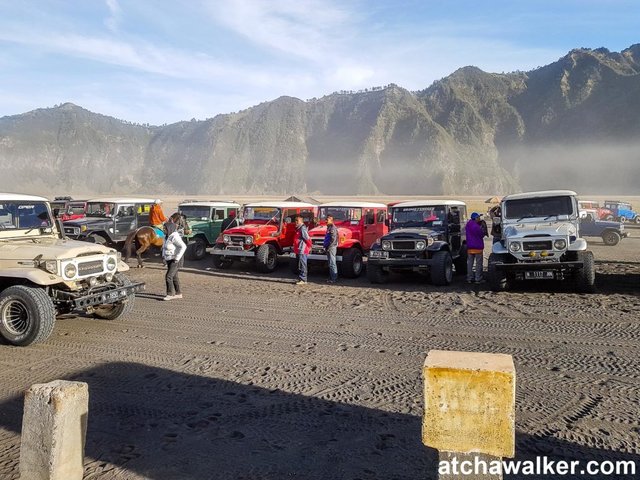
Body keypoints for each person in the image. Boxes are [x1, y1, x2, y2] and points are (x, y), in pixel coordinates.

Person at [162, 221, 187, 300]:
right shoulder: (167, 236)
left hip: (175, 260)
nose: (163, 230)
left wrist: (177, 258)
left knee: (168, 276)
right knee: (174, 276)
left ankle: (170, 294)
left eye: (164, 229)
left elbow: (183, 246)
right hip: (169, 259)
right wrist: (164, 257)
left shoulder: (174, 237)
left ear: (169, 229)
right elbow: (164, 247)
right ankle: (178, 293)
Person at [465, 212, 486, 284]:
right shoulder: (476, 226)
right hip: (478, 247)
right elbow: (481, 235)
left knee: (470, 263)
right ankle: (478, 278)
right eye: (478, 217)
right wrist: (482, 229)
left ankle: (469, 278)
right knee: (478, 264)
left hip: (470, 247)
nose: (479, 219)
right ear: (475, 218)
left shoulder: (468, 224)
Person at [293, 215, 312, 285]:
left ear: (301, 221)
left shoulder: (302, 228)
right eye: (295, 220)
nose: (295, 222)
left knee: (303, 264)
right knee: (300, 264)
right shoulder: (299, 228)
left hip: (302, 250)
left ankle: (303, 279)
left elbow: (307, 238)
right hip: (299, 249)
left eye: (297, 220)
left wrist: (309, 246)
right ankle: (301, 279)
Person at [324, 214, 339, 283]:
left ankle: (334, 278)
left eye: (327, 219)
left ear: (331, 220)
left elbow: (333, 239)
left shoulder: (332, 228)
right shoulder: (328, 227)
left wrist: (329, 247)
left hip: (331, 248)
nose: (326, 220)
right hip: (328, 247)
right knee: (330, 263)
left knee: (332, 263)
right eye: (326, 219)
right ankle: (331, 277)